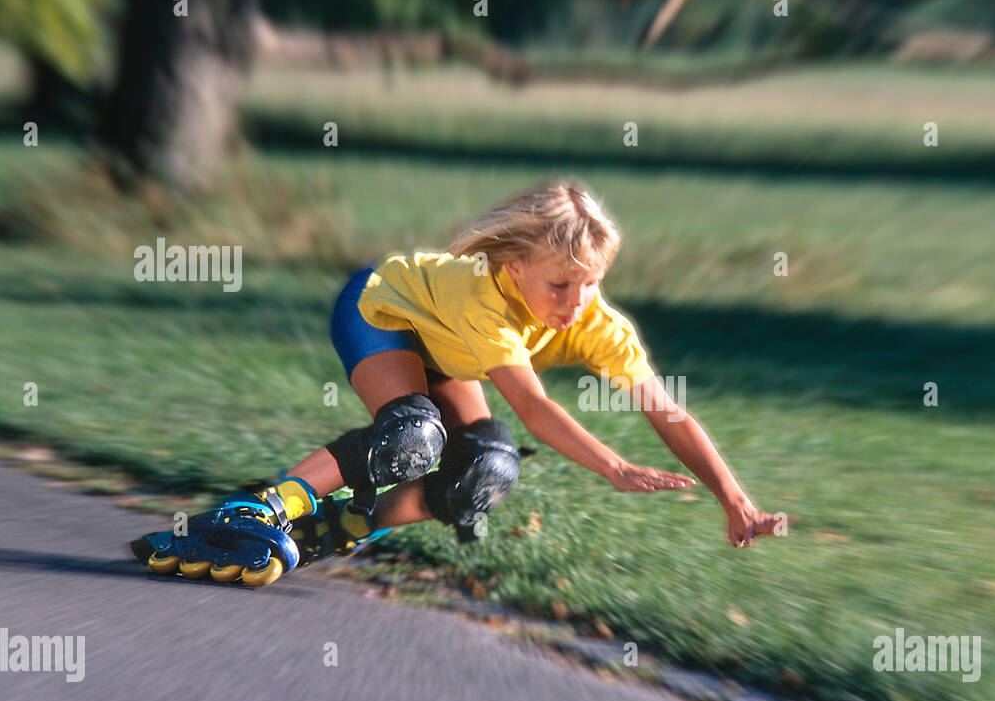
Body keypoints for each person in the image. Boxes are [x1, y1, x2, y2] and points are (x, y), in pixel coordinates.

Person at [133, 182, 783, 587]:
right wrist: (612, 467)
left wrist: (732, 496)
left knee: (485, 468)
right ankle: (260, 510)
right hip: (383, 311)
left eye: (591, 282)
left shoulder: (592, 320)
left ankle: (348, 523)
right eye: (560, 285)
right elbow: (531, 406)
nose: (577, 302)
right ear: (515, 265)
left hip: (449, 350)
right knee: (414, 432)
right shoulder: (482, 296)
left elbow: (667, 413)